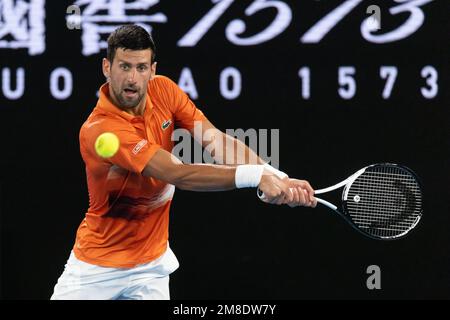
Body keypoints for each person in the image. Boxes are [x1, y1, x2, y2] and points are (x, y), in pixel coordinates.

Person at [51, 24, 317, 300]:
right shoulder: (101, 129)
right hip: (97, 268)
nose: (132, 78)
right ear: (107, 67)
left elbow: (214, 140)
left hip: (151, 269)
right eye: (124, 66)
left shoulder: (164, 89)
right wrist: (255, 177)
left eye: (141, 68)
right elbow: (176, 173)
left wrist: (276, 176)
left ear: (153, 70)